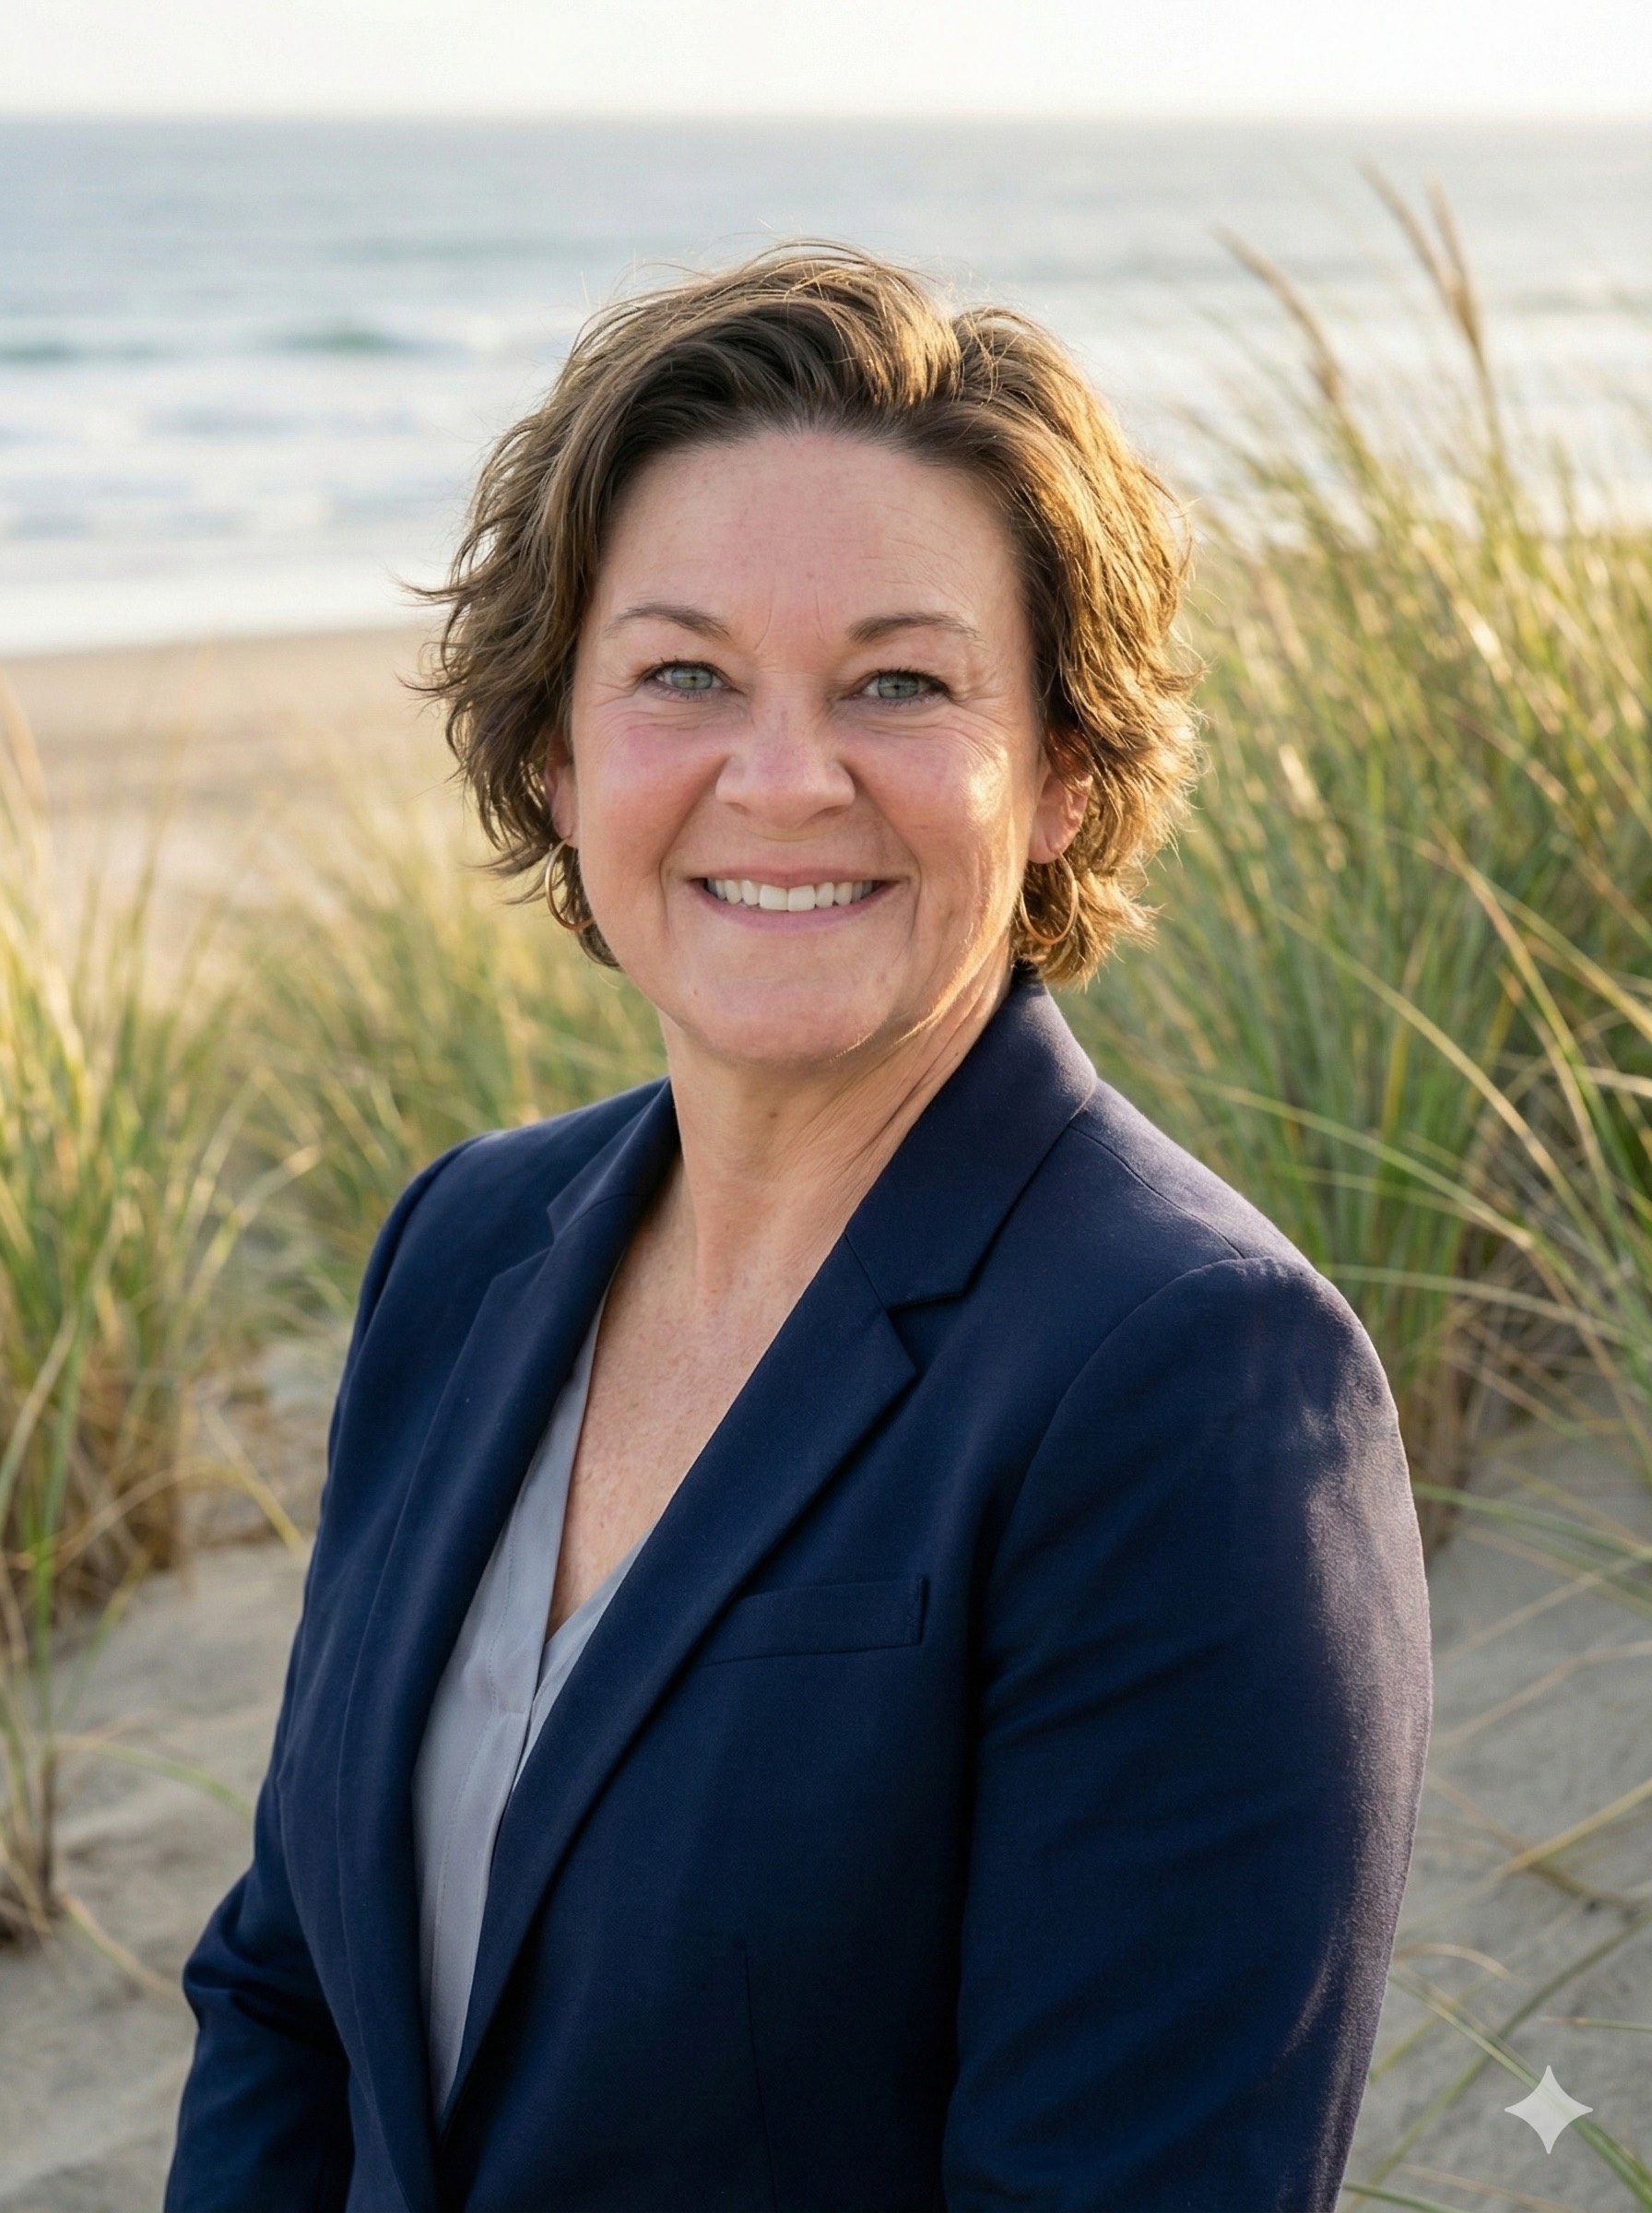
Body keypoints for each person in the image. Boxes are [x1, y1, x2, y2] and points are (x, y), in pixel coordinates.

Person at [166, 245, 1431, 2213]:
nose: (780, 779)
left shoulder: (1195, 1383)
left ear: (1060, 784)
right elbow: (288, 1999)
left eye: (898, 686)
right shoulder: (462, 1246)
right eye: (681, 674)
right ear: (558, 752)